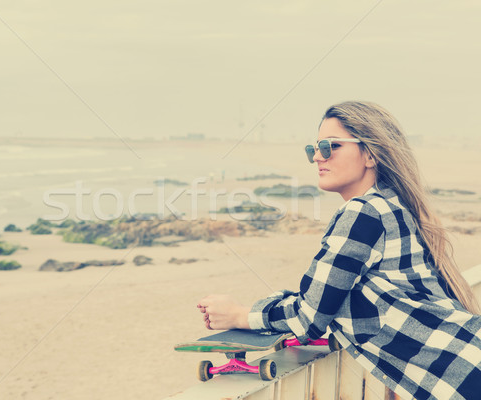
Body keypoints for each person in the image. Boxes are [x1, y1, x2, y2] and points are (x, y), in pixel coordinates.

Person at [198, 101, 481, 399]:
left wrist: (240, 315)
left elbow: (308, 318)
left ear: (371, 154)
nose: (317, 157)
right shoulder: (392, 204)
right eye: (314, 149)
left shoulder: (363, 213)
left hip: (462, 379)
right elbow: (326, 298)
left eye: (330, 146)